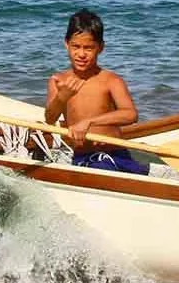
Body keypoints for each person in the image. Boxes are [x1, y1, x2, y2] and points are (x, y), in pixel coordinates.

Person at [44, 9, 147, 174]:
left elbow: (130, 114)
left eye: (89, 48)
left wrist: (90, 122)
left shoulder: (111, 80)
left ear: (100, 48)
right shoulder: (58, 81)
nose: (81, 54)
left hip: (116, 154)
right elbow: (50, 119)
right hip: (83, 157)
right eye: (76, 46)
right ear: (66, 44)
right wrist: (62, 98)